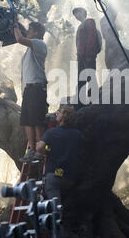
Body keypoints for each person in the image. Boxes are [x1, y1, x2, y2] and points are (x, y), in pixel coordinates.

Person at [13, 19, 48, 160]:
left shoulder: (39, 44)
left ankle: (40, 151)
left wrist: (14, 25)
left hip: (37, 88)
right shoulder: (30, 49)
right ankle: (32, 150)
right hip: (29, 88)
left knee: (37, 121)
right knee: (27, 120)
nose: (27, 32)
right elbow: (22, 36)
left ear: (37, 32)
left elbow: (20, 38)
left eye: (30, 30)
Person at [36, 105, 82, 202]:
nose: (57, 113)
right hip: (69, 178)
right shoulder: (77, 134)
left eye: (59, 112)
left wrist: (46, 153)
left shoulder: (51, 133)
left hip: (53, 176)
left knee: (54, 209)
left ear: (64, 116)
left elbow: (39, 147)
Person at [72, 7, 102, 104]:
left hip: (88, 55)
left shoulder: (89, 22)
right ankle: (80, 101)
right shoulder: (79, 27)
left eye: (77, 12)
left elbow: (91, 38)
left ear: (83, 12)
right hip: (81, 56)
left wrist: (88, 54)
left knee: (90, 76)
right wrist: (79, 55)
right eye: (74, 14)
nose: (76, 15)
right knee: (81, 78)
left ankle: (94, 100)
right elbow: (78, 42)